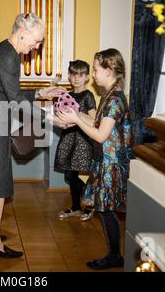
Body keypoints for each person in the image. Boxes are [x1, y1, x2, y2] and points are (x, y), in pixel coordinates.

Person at [0, 12, 65, 258]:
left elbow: (7, 93)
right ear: (22, 31)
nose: (37, 45)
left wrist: (40, 94)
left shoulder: (4, 50)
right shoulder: (10, 58)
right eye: (37, 40)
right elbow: (16, 101)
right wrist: (49, 117)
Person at [57, 48, 133, 270]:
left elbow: (100, 135)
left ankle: (114, 256)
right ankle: (114, 255)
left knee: (106, 210)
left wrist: (76, 120)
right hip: (104, 161)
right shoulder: (108, 96)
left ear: (109, 71)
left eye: (97, 69)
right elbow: (98, 124)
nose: (94, 74)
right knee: (104, 210)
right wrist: (75, 116)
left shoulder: (115, 100)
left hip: (111, 164)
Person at [54, 60, 96, 221]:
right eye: (73, 74)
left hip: (82, 140)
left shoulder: (88, 95)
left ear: (86, 77)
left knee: (73, 174)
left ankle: (90, 203)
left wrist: (79, 118)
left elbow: (94, 120)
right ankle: (77, 207)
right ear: (69, 76)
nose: (77, 78)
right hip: (68, 137)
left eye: (81, 75)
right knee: (69, 174)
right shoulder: (68, 95)